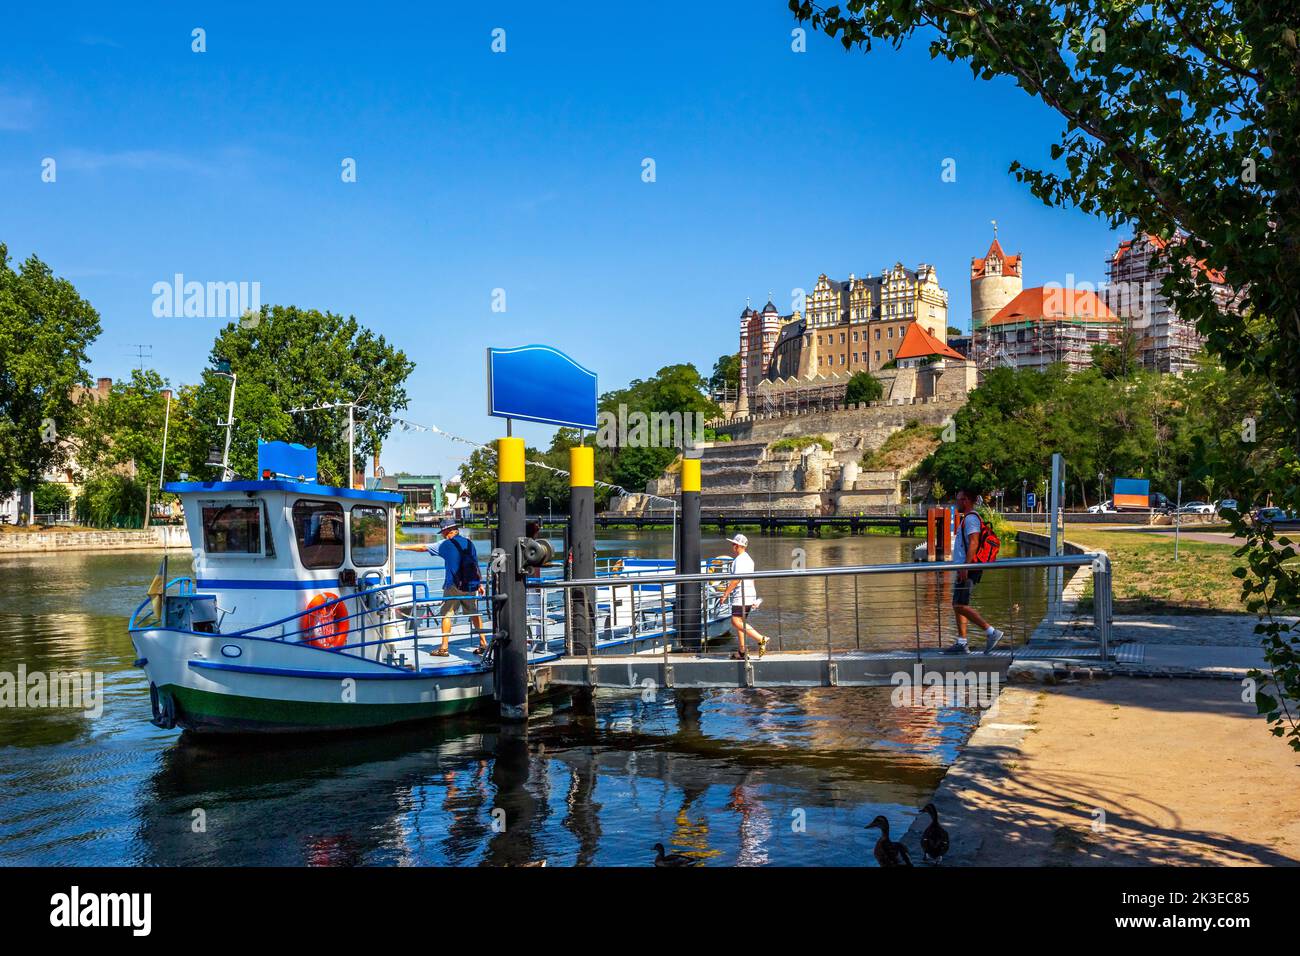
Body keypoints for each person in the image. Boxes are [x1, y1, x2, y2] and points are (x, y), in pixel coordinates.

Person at [945, 489, 1005, 654]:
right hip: (965, 568)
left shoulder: (971, 519)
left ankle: (991, 632)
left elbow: (974, 542)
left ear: (966, 500)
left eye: (958, 500)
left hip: (968, 569)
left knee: (959, 605)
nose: (956, 503)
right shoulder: (968, 519)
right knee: (958, 605)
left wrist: (966, 566)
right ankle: (962, 642)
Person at [427, 517, 486, 656]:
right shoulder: (469, 543)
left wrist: (400, 546)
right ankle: (483, 643)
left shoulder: (445, 544)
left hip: (453, 585)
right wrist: (479, 584)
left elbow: (423, 547)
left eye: (442, 531)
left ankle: (444, 648)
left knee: (447, 614)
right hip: (470, 585)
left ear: (448, 531)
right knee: (474, 612)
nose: (442, 534)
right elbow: (475, 564)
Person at [718, 533, 767, 659]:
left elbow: (736, 580)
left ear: (738, 546)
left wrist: (725, 594)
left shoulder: (739, 561)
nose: (732, 546)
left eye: (733, 544)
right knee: (740, 623)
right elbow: (751, 578)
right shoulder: (749, 559)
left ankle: (761, 639)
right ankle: (742, 652)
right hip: (749, 594)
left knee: (735, 622)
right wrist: (754, 596)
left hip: (741, 595)